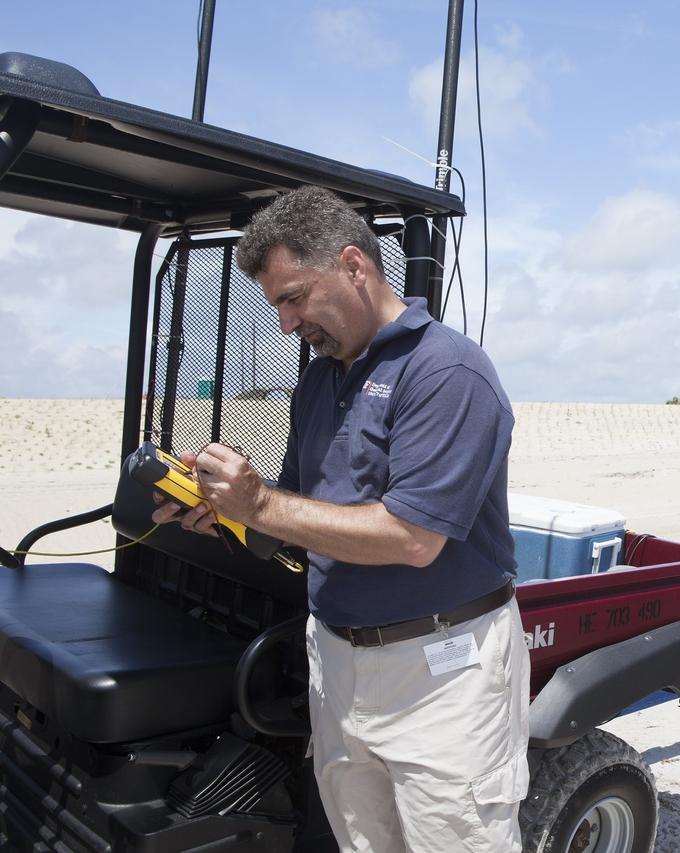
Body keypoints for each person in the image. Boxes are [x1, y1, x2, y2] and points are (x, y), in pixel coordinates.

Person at [152, 186, 529, 852]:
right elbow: (305, 512)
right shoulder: (320, 381)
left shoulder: (446, 372)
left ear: (355, 266)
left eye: (294, 297)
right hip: (338, 663)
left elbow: (413, 537)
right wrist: (230, 510)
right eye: (276, 306)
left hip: (442, 675)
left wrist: (260, 503)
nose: (287, 325)